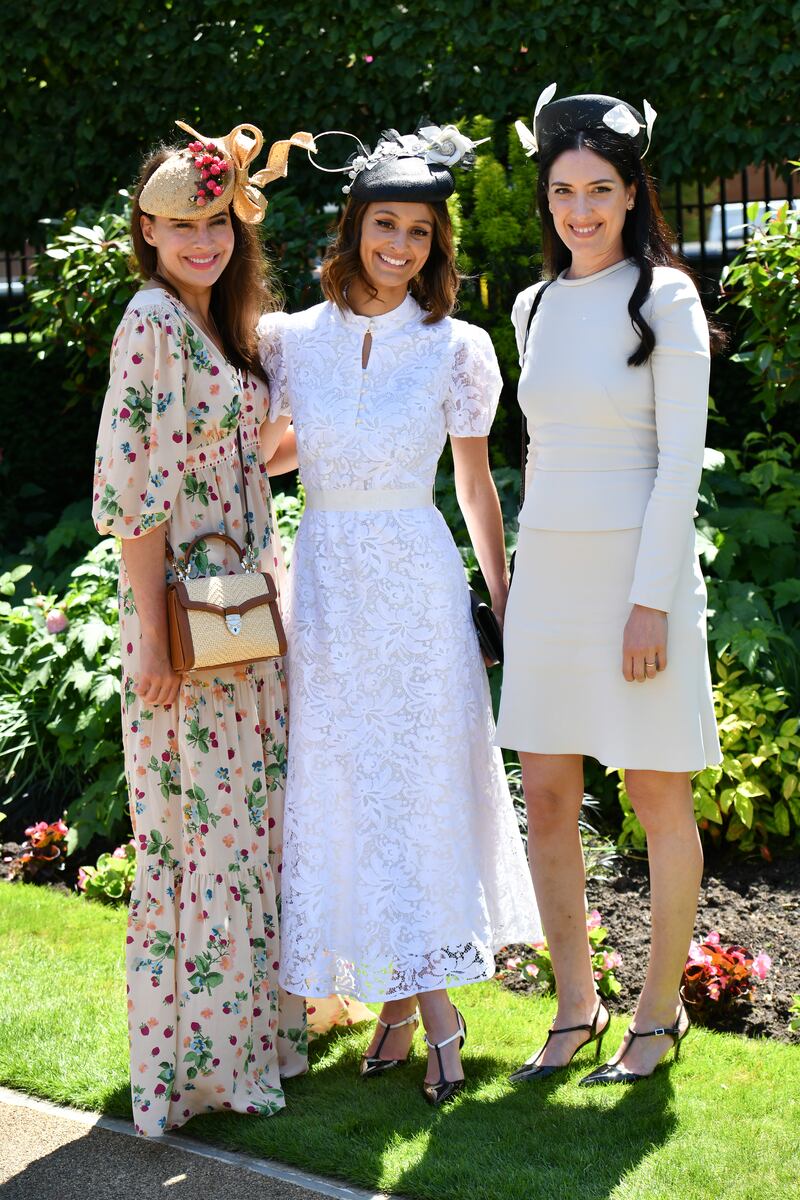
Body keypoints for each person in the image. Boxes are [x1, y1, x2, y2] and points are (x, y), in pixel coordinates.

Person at [92, 119, 368, 1136]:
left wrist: (357, 429)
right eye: (179, 226)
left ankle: (258, 1043)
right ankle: (199, 1069)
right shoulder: (150, 321)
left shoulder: (221, 322)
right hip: (185, 626)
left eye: (214, 220)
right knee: (199, 842)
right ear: (148, 231)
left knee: (250, 834)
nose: (200, 240)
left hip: (241, 618)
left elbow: (250, 453)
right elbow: (134, 493)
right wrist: (153, 644)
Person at [258, 124, 540, 1106]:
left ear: (434, 245)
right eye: (386, 224)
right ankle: (414, 1007)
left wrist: (503, 605)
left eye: (420, 231)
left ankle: (425, 1007)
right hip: (328, 584)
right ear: (353, 226)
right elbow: (281, 451)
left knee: (411, 793)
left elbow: (474, 489)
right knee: (349, 787)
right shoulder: (287, 340)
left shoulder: (458, 349)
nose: (401, 246)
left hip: (417, 589)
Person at [496, 86, 722, 1086]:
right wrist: (517, 581)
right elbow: (540, 452)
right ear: (544, 199)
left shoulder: (665, 296)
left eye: (598, 190)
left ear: (630, 195)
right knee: (545, 796)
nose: (578, 209)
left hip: (640, 578)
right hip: (549, 571)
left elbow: (679, 462)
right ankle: (575, 1006)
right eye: (560, 191)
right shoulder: (530, 306)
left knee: (652, 794)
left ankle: (658, 1014)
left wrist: (649, 601)